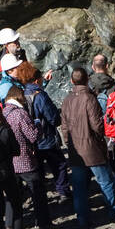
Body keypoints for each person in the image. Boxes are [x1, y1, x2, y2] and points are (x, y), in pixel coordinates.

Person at [60, 66, 115, 229]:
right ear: (87, 79)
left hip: (76, 150)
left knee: (79, 187)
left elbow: (64, 127)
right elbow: (97, 125)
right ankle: (114, 212)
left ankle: (82, 219)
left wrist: (69, 143)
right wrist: (101, 139)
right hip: (92, 148)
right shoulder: (90, 98)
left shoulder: (67, 100)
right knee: (105, 182)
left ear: (72, 81)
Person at [2, 86, 54, 229]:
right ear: (19, 97)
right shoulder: (20, 114)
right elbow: (32, 136)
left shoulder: (3, 113)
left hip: (10, 161)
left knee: (12, 195)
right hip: (24, 160)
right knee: (37, 191)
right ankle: (44, 223)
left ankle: (9, 224)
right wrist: (38, 124)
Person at [25, 72, 68, 200]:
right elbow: (53, 118)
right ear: (37, 80)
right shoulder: (41, 96)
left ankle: (39, 195)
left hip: (32, 139)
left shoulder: (23, 93)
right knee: (59, 165)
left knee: (38, 169)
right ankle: (63, 191)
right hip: (46, 137)